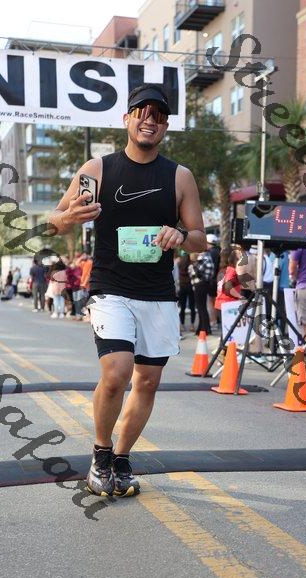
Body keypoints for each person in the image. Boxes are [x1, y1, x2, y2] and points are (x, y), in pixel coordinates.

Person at [48, 83, 206, 497]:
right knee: (117, 374)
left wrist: (180, 235)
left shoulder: (180, 176)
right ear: (127, 120)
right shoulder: (97, 170)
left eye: (158, 115)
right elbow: (52, 223)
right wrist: (69, 217)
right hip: (110, 288)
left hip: (158, 293)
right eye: (142, 113)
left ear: (166, 126)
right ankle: (100, 456)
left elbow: (200, 238)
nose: (149, 121)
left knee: (148, 382)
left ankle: (121, 458)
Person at [188, 249, 214, 335]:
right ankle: (202, 327)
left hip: (199, 286)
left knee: (201, 308)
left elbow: (195, 276)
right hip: (204, 284)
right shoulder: (207, 259)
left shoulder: (199, 262)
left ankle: (204, 328)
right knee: (202, 308)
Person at [178, 252, 196, 332]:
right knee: (192, 307)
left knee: (182, 307)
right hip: (190, 286)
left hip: (182, 287)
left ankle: (182, 325)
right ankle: (192, 325)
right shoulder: (191, 264)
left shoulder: (179, 264)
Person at [206, 233, 220, 329]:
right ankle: (218, 319)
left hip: (212, 280)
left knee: (211, 301)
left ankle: (213, 321)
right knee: (217, 300)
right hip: (219, 279)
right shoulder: (220, 251)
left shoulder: (209, 253)